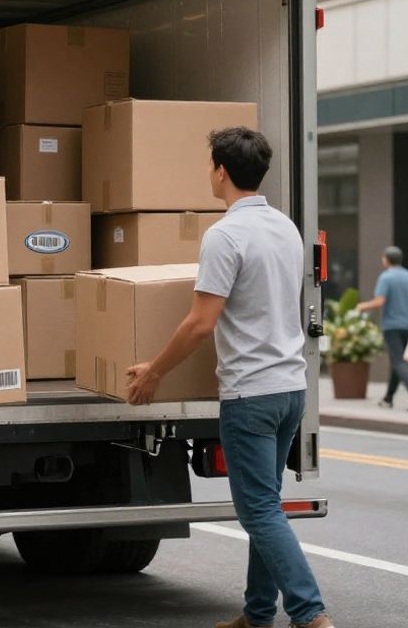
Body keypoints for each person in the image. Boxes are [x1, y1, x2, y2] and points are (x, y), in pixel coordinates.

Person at [125, 127, 332, 628]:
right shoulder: (285, 227)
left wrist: (154, 372)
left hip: (251, 394)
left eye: (210, 164)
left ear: (220, 170)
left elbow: (201, 321)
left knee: (258, 510)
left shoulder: (224, 235)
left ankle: (311, 615)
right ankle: (257, 614)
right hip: (290, 389)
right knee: (268, 505)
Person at [356, 246, 408, 410]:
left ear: (386, 259)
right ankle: (388, 398)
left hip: (391, 326)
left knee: (399, 361)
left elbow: (380, 301)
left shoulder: (386, 277)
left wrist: (363, 306)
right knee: (398, 361)